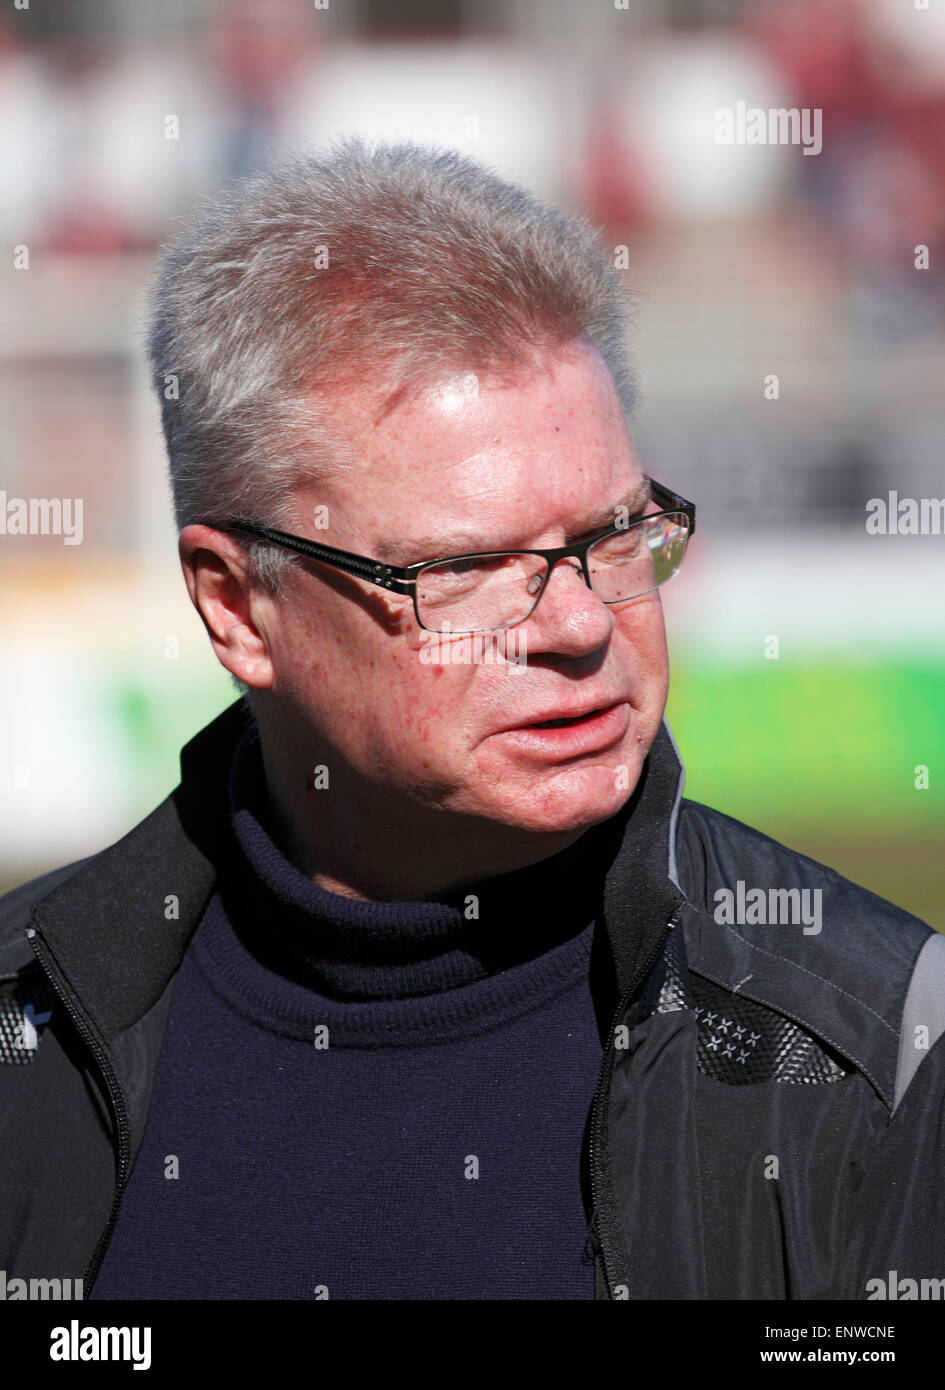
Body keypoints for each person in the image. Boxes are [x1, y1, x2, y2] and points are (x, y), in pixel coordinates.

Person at [2, 136, 943, 1302]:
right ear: (239, 606)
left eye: (612, 534)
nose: (579, 626)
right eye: (465, 569)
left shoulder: (882, 1049)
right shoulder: (24, 1034)